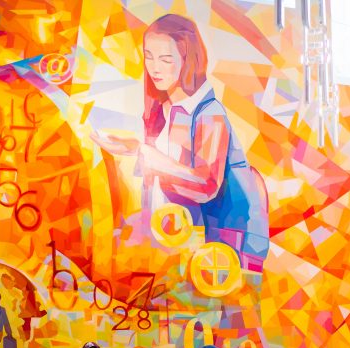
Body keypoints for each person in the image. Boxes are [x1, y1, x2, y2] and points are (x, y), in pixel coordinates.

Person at [91, 13, 269, 271]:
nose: (154, 68)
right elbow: (160, 182)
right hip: (177, 243)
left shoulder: (209, 113)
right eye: (149, 56)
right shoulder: (160, 110)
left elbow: (206, 185)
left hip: (222, 249)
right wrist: (135, 149)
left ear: (188, 60)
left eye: (165, 59)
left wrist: (145, 152)